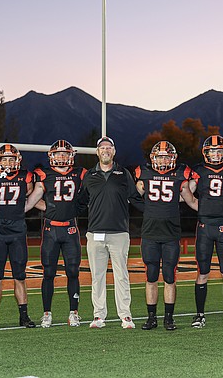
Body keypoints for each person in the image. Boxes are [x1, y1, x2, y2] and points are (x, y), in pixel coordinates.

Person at [77, 136, 144, 329]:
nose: (105, 150)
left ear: (113, 152)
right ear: (97, 152)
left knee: (121, 275)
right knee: (97, 276)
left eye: (109, 147)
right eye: (102, 148)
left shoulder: (123, 173)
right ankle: (99, 316)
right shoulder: (89, 175)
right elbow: (81, 202)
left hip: (119, 233)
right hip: (95, 233)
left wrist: (152, 211)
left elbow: (134, 198)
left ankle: (125, 315)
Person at [134, 140, 197, 331]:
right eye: (160, 156)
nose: (163, 160)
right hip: (150, 233)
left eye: (166, 156)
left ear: (173, 158)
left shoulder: (180, 174)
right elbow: (136, 195)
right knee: (151, 275)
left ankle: (168, 317)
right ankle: (151, 317)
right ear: (153, 158)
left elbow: (191, 196)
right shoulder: (143, 172)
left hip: (171, 233)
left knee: (170, 276)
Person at [25, 140, 86, 328]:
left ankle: (73, 312)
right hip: (51, 228)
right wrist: (49, 208)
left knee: (73, 272)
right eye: (58, 154)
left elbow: (91, 195)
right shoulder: (44, 175)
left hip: (70, 228)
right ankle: (47, 313)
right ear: (52, 156)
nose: (61, 157)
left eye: (64, 154)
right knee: (48, 273)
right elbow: (31, 201)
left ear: (71, 156)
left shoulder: (80, 174)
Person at [0, 144, 36, 329]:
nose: (8, 163)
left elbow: (30, 198)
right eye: (5, 159)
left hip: (18, 232)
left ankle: (23, 316)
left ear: (17, 161)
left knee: (20, 276)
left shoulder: (25, 177)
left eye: (11, 159)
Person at [188, 135, 223, 328]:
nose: (216, 154)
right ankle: (199, 314)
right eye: (212, 151)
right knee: (202, 272)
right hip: (204, 226)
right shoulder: (199, 171)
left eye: (219, 151)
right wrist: (199, 206)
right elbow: (186, 191)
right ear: (206, 153)